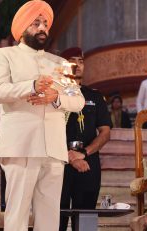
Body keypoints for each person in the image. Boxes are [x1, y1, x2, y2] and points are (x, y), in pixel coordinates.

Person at [0, 1, 85, 230]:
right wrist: (31, 85)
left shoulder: (59, 63)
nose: (43, 28)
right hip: (21, 146)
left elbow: (78, 100)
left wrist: (56, 97)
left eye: (45, 24)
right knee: (17, 214)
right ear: (22, 28)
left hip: (53, 149)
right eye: (36, 23)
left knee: (49, 217)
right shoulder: (4, 55)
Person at [58, 47, 112, 231]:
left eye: (81, 61)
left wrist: (82, 154)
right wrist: (69, 156)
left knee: (86, 221)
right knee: (56, 217)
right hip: (58, 162)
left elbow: (105, 133)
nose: (78, 65)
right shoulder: (54, 94)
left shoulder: (95, 96)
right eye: (72, 60)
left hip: (88, 163)